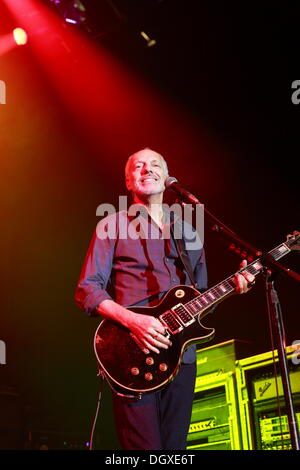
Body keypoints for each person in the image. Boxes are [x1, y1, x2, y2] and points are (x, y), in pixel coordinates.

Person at [74, 147, 254, 450]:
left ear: (167, 177)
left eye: (155, 165)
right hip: (131, 353)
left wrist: (235, 287)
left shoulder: (188, 231)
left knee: (175, 450)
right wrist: (135, 321)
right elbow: (87, 290)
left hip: (182, 358)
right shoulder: (112, 225)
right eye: (138, 166)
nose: (147, 169)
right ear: (128, 182)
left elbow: (199, 299)